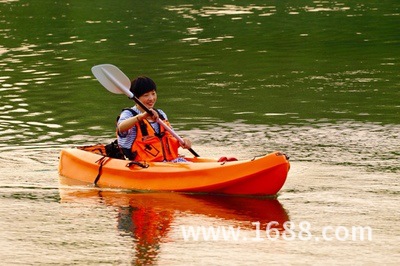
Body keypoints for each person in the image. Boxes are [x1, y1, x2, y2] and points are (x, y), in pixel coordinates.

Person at [117, 76, 192, 162]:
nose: (151, 98)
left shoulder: (161, 114)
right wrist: (141, 116)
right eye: (146, 95)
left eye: (153, 93)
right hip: (142, 164)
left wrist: (183, 141)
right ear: (136, 99)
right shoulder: (129, 114)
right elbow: (121, 128)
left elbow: (171, 136)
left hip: (168, 162)